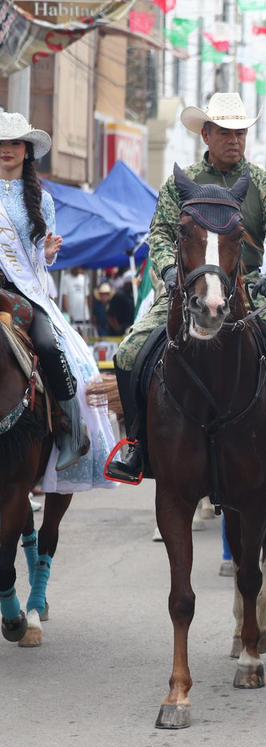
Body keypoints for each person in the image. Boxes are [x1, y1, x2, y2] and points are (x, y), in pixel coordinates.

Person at [108, 93, 266, 483]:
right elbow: (160, 235)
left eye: (240, 133)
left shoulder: (265, 184)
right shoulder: (179, 185)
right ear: (206, 135)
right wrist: (168, 271)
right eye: (226, 132)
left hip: (250, 287)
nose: (235, 140)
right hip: (186, 289)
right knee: (128, 353)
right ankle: (136, 443)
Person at [0, 110, 104, 477]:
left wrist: (46, 253)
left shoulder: (42, 200)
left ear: (27, 151)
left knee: (48, 344)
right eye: (1, 143)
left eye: (14, 143)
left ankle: (71, 429)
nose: (7, 149)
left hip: (24, 293)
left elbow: (42, 258)